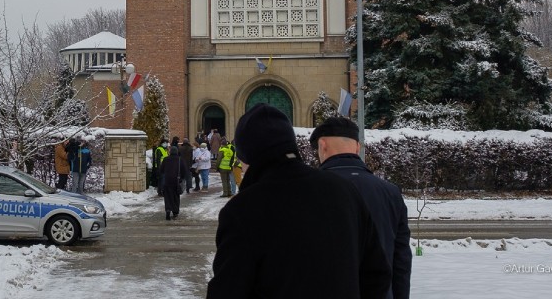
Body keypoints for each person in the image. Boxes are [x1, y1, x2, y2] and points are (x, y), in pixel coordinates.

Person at [207, 103, 391, 299]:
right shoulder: (343, 191)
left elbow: (228, 290)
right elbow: (377, 274)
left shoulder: (243, 210)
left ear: (248, 155)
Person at [311, 116, 412, 299]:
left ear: (323, 145)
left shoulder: (308, 190)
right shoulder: (390, 193)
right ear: (358, 147)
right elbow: (401, 261)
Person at [160, 145, 188, 220]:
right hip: (176, 181)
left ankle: (168, 211)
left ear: (170, 152)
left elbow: (161, 170)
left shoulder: (166, 159)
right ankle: (175, 212)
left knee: (168, 197)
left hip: (167, 181)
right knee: (176, 197)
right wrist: (182, 178)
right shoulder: (180, 160)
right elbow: (184, 171)